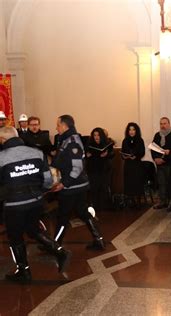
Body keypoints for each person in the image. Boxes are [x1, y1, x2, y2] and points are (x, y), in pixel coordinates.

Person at [0, 126, 71, 283]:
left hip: (14, 204)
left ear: (3, 140)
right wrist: (41, 191)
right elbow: (47, 180)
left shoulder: (1, 157)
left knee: (15, 237)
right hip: (36, 201)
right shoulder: (36, 153)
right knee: (32, 229)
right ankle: (60, 252)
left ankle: (23, 271)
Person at [51, 115, 105, 250]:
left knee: (63, 215)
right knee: (82, 212)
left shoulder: (72, 141)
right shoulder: (66, 139)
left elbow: (77, 167)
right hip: (77, 185)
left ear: (64, 126)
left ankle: (54, 245)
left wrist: (64, 184)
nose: (56, 127)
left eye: (58, 125)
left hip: (72, 186)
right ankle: (98, 239)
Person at [151, 117, 171, 210]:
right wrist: (155, 158)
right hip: (159, 164)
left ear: (169, 124)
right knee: (161, 183)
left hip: (169, 164)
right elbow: (153, 148)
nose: (163, 125)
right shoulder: (157, 135)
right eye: (161, 124)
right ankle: (163, 201)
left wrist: (164, 159)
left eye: (165, 123)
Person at [86, 127, 114, 212]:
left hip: (104, 169)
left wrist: (107, 154)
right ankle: (95, 207)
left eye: (98, 135)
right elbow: (85, 154)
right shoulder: (89, 144)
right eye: (94, 135)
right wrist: (87, 155)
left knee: (103, 188)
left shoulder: (107, 143)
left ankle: (104, 207)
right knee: (94, 188)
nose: (96, 137)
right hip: (93, 170)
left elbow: (112, 154)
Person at [121, 122, 145, 208]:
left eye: (133, 129)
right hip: (128, 165)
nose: (131, 131)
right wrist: (124, 156)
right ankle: (131, 201)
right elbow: (122, 153)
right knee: (129, 183)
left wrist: (136, 156)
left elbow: (142, 152)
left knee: (137, 183)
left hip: (137, 164)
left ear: (136, 131)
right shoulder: (125, 140)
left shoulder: (140, 140)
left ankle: (138, 202)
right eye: (130, 129)